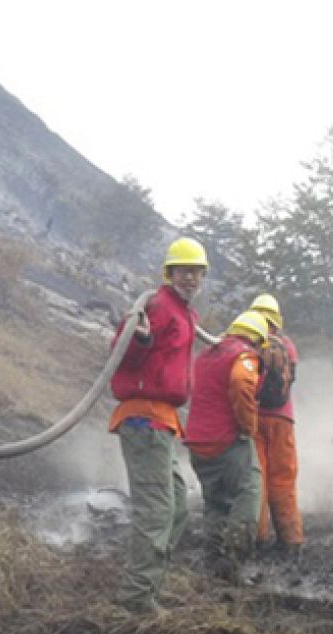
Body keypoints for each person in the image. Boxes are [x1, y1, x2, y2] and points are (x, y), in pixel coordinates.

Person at [107, 237, 206, 614]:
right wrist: (141, 339)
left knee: (177, 507)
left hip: (162, 422)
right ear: (170, 273)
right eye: (184, 271)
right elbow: (121, 353)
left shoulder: (185, 314)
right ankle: (135, 601)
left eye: (197, 272)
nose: (191, 278)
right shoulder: (158, 307)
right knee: (157, 511)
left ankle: (149, 587)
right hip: (144, 419)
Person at [184, 311, 268, 580]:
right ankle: (234, 562)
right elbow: (241, 383)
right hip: (227, 440)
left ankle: (213, 563)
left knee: (215, 503)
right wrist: (248, 426)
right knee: (249, 492)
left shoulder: (206, 355)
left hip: (197, 442)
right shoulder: (244, 355)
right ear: (257, 340)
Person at [250, 293, 303, 548]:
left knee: (256, 479)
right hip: (283, 419)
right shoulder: (287, 345)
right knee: (283, 479)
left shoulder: (250, 343)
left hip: (254, 419)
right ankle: (291, 540)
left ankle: (258, 537)